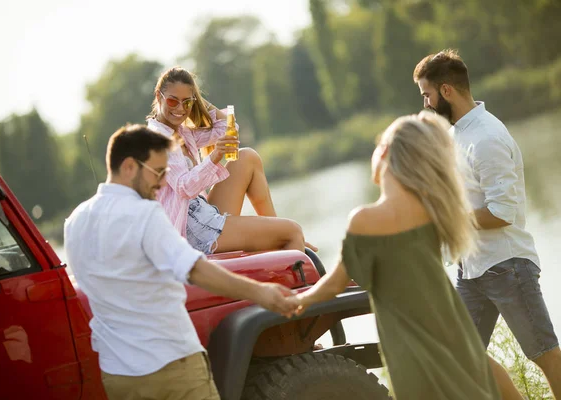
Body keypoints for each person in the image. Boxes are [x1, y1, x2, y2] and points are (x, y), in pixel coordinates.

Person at [64, 124, 298, 400]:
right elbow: (196, 269)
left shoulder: (75, 222)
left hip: (118, 377)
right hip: (172, 365)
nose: (163, 183)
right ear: (129, 167)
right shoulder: (144, 213)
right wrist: (261, 292)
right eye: (159, 172)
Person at [288, 112, 500, 399]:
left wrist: (300, 300)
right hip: (453, 328)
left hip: (409, 343)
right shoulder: (435, 207)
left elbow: (336, 284)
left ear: (385, 151)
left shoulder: (364, 220)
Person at [414, 49, 561, 398]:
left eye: (427, 94)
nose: (426, 104)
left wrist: (447, 220)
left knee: (545, 354)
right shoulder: (456, 135)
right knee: (461, 354)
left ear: (446, 90)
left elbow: (501, 212)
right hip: (472, 269)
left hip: (507, 267)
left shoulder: (487, 137)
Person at [146, 66, 316, 255]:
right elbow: (184, 187)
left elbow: (227, 128)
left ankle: (277, 235)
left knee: (247, 157)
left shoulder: (183, 132)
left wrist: (197, 100)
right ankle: (283, 240)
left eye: (186, 103)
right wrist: (215, 156)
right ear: (159, 96)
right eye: (172, 101)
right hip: (192, 230)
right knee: (292, 230)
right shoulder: (157, 140)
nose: (179, 109)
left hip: (202, 213)